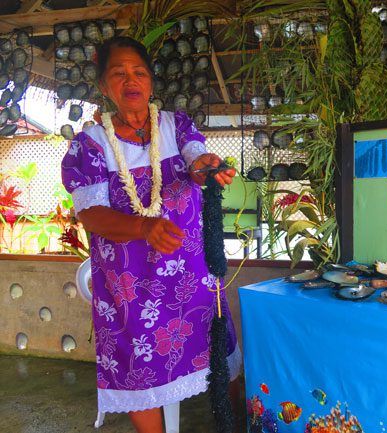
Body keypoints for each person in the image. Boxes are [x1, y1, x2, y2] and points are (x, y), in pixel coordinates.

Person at [61, 36, 240, 433]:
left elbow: (196, 161)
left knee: (217, 354)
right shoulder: (89, 146)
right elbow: (90, 214)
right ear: (104, 86)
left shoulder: (175, 126)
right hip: (131, 288)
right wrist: (144, 227)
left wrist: (208, 167)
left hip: (191, 278)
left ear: (152, 82)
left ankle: (231, 426)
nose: (131, 81)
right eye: (118, 74)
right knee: (138, 370)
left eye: (139, 72)